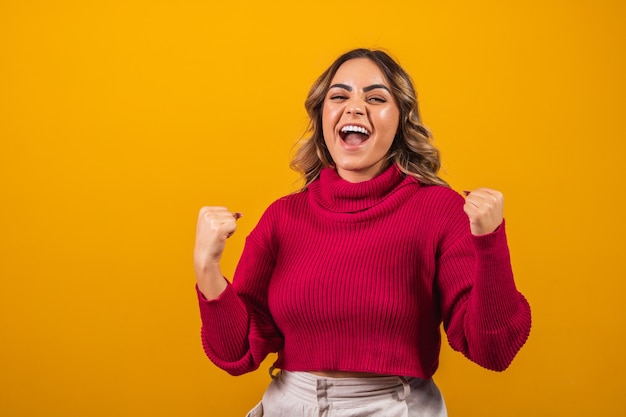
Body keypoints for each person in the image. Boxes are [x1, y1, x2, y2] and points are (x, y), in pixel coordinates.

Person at [193, 48, 532, 417]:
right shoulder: (282, 218)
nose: (355, 107)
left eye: (375, 97)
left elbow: (494, 351)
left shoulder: (440, 211)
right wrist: (206, 268)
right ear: (323, 116)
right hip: (288, 405)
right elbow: (236, 354)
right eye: (339, 96)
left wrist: (490, 242)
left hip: (393, 407)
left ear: (401, 119)